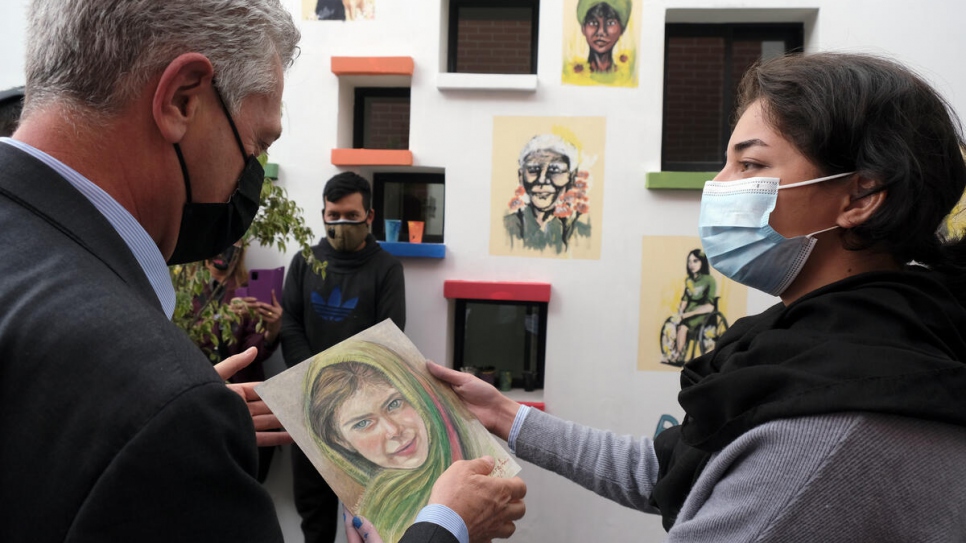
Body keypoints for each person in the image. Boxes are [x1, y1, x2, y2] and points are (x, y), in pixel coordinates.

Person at [0, 2, 524, 542]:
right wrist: (446, 524)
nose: (251, 181)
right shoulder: (163, 407)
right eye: (256, 144)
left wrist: (178, 416)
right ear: (182, 99)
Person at [432, 52, 966, 541]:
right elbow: (675, 470)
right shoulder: (829, 347)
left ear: (862, 196)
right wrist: (505, 414)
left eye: (751, 165)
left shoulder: (831, 421)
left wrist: (447, 527)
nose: (719, 184)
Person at [281, 171, 407, 543]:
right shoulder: (305, 261)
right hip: (308, 409)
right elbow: (290, 323)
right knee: (314, 519)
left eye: (351, 217)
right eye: (333, 216)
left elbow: (387, 339)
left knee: (368, 522)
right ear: (323, 214)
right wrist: (314, 381)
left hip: (364, 415)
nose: (341, 225)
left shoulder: (386, 269)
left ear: (370, 217)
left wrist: (346, 396)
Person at [305, 340, 511, 543]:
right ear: (340, 441)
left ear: (417, 395)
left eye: (394, 403)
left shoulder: (473, 459)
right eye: (363, 423)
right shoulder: (376, 512)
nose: (393, 431)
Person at [195, 242, 285, 482]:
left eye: (233, 244)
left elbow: (253, 351)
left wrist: (272, 329)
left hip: (244, 404)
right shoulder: (187, 293)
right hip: (201, 403)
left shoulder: (248, 292)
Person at [504, 134, 591, 253]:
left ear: (571, 178)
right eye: (533, 170)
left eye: (554, 170)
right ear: (521, 176)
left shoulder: (581, 233)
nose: (542, 179)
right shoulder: (507, 227)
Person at [662, 249, 716, 366]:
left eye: (695, 261)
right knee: (670, 324)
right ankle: (669, 353)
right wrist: (680, 313)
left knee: (683, 327)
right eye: (689, 261)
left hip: (702, 313)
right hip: (687, 312)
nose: (691, 264)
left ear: (702, 262)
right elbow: (685, 299)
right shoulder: (689, 280)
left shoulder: (709, 280)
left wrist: (686, 315)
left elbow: (710, 306)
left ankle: (677, 355)